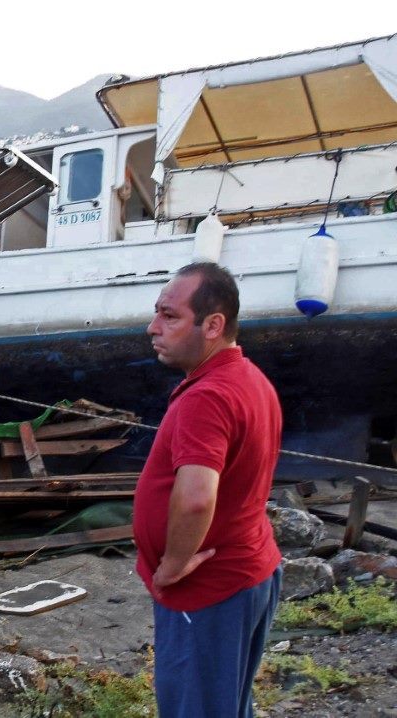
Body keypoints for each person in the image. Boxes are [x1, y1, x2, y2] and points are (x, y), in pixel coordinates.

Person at [133, 262, 283, 718]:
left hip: (209, 590)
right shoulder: (251, 380)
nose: (153, 327)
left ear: (213, 325)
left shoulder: (207, 396)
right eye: (157, 314)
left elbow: (198, 497)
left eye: (170, 316)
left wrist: (173, 564)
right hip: (249, 571)